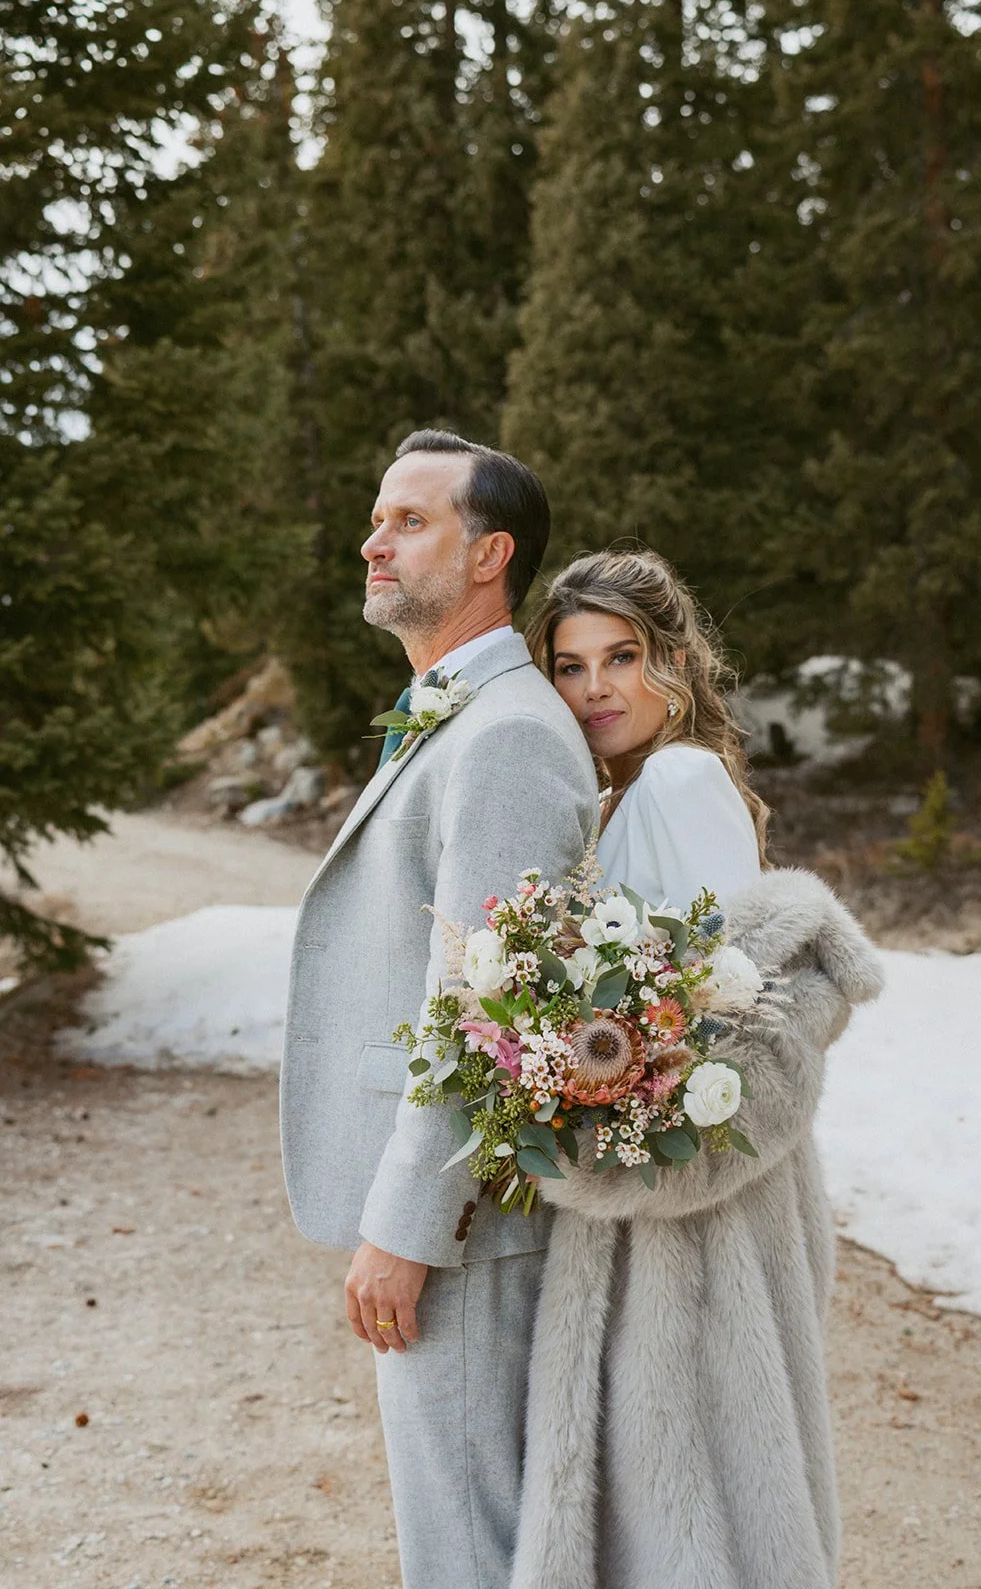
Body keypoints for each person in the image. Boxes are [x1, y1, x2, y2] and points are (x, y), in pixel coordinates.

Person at [514, 549, 885, 1589]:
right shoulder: (625, 794)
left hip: (699, 1208)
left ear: (672, 661)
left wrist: (597, 1134)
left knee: (693, 1496)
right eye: (571, 665)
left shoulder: (675, 778)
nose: (595, 688)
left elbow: (734, 999)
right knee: (690, 1494)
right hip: (682, 1197)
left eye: (621, 656)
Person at [279, 430, 598, 1589]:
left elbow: (483, 1013)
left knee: (472, 1546)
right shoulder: (458, 713)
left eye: (411, 520)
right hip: (456, 1225)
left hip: (466, 1232)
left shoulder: (505, 735)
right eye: (377, 516)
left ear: (489, 555)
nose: (374, 539)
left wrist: (410, 1229)